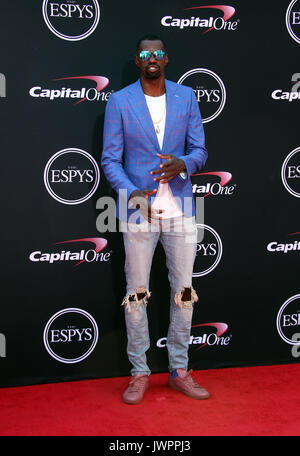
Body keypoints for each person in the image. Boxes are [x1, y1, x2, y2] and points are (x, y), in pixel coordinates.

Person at [101, 34, 209, 404]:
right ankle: (140, 373)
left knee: (183, 293)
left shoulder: (187, 97)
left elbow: (200, 150)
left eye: (157, 53)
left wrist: (186, 164)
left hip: (181, 208)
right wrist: (129, 190)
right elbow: (110, 159)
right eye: (145, 53)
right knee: (136, 294)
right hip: (138, 210)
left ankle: (179, 370)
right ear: (137, 61)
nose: (152, 58)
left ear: (166, 59)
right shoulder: (119, 101)